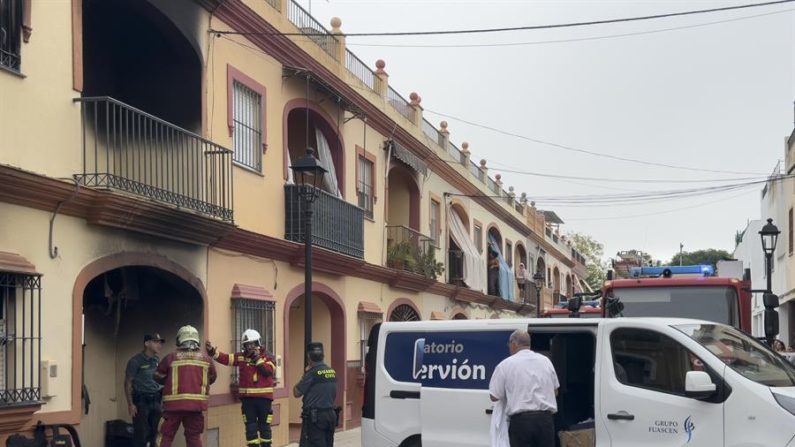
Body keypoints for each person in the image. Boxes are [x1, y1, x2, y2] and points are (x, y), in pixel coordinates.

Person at [206, 329, 276, 447]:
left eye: (252, 343)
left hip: (264, 400)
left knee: (264, 428)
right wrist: (213, 352)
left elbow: (268, 371)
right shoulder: (241, 357)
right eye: (247, 344)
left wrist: (257, 359)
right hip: (247, 400)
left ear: (258, 343)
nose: (249, 347)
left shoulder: (268, 356)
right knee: (250, 429)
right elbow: (226, 358)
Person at [489, 330, 559, 447]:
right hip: (545, 421)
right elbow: (555, 391)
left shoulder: (505, 365)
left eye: (509, 344)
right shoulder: (546, 361)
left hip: (521, 423)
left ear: (514, 344)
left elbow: (494, 396)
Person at [154, 325, 217, 447]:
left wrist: (168, 381)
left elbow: (157, 376)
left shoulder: (171, 357)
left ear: (179, 339)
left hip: (172, 408)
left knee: (165, 437)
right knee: (194, 438)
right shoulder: (206, 359)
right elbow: (212, 378)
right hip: (196, 407)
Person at [293, 342, 338, 447]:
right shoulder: (332, 372)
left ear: (309, 357)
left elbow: (296, 392)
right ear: (323, 355)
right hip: (330, 415)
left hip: (315, 418)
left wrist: (305, 374)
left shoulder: (311, 374)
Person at [125, 333, 165, 447]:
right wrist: (130, 404)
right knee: (141, 436)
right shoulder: (135, 361)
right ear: (147, 344)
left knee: (154, 435)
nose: (159, 345)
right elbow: (128, 382)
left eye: (160, 343)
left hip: (156, 401)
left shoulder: (156, 359)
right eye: (156, 342)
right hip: (141, 403)